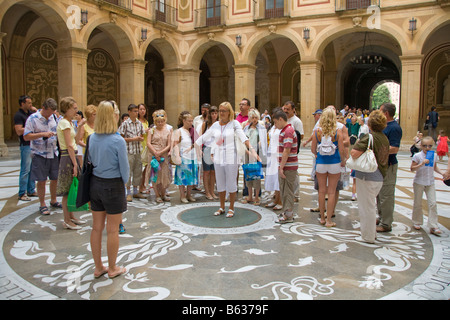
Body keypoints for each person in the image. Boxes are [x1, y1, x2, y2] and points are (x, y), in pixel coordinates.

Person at [195, 101, 258, 218]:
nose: (221, 113)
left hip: (231, 157)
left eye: (224, 111)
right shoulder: (215, 125)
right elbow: (205, 136)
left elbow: (243, 137)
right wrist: (195, 145)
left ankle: (232, 207)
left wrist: (252, 150)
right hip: (218, 158)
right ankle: (222, 206)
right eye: (220, 111)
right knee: (220, 182)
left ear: (229, 112)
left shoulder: (234, 124)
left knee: (231, 182)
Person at [88, 100, 129, 279]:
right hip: (113, 185)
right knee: (112, 229)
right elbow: (124, 169)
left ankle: (99, 267)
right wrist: (125, 185)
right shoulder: (117, 140)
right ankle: (112, 268)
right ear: (113, 116)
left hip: (95, 184)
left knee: (96, 228)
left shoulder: (92, 138)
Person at [350, 110, 390, 243]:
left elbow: (354, 153)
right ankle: (371, 233)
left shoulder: (369, 137)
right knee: (371, 206)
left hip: (367, 176)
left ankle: (368, 236)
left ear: (370, 124)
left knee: (366, 207)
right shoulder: (384, 138)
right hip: (379, 176)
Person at [23, 98, 60, 215]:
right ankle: (42, 203)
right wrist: (42, 134)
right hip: (39, 154)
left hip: (53, 152)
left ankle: (53, 200)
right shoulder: (33, 119)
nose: (50, 115)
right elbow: (26, 136)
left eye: (52, 112)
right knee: (41, 180)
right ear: (43, 108)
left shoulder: (54, 117)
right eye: (49, 112)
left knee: (55, 178)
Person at [311, 107, 346, 228]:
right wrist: (343, 161)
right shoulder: (338, 132)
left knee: (321, 191)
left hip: (320, 163)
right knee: (331, 192)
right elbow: (341, 149)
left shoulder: (317, 132)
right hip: (334, 163)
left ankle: (321, 217)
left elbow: (312, 149)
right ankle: (329, 220)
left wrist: (316, 155)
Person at [56, 97, 85, 230]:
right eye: (73, 108)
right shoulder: (64, 123)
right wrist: (74, 164)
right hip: (68, 157)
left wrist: (79, 127)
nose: (76, 110)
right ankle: (67, 220)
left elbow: (77, 140)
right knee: (67, 190)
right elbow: (68, 145)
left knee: (71, 187)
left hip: (71, 155)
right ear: (66, 109)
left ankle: (71, 216)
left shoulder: (70, 123)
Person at [410, 136, 445, 236]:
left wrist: (443, 173)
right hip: (419, 182)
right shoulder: (417, 156)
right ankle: (417, 221)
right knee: (417, 202)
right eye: (425, 146)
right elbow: (412, 168)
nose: (427, 148)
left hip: (430, 182)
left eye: (430, 146)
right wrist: (421, 164)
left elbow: (435, 167)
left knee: (433, 203)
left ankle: (433, 225)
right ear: (421, 146)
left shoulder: (433, 155)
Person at [377, 102, 402, 233]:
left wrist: (377, 150)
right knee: (379, 194)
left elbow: (395, 148)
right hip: (380, 165)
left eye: (380, 111)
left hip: (389, 165)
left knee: (386, 194)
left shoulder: (394, 128)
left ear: (386, 113)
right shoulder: (383, 126)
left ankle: (386, 223)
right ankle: (381, 216)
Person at [273, 110, 299, 224]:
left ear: (280, 119)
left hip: (288, 166)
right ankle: (286, 211)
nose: (275, 125)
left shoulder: (288, 131)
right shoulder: (285, 130)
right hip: (286, 166)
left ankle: (288, 214)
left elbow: (286, 150)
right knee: (284, 189)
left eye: (275, 122)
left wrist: (282, 167)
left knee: (287, 190)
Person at [118, 104, 145, 202]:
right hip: (129, 151)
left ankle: (135, 191)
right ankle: (128, 192)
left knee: (138, 171)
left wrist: (140, 138)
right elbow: (120, 138)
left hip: (138, 150)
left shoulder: (139, 123)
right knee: (128, 171)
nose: (136, 113)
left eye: (137, 111)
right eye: (134, 111)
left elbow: (142, 134)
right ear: (129, 112)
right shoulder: (125, 124)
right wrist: (134, 139)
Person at [242, 108, 267, 206]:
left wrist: (254, 150)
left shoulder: (261, 128)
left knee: (256, 175)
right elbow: (243, 140)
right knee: (248, 174)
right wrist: (248, 151)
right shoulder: (246, 128)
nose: (254, 119)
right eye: (252, 117)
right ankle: (250, 196)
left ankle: (257, 196)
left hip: (257, 153)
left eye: (256, 117)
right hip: (247, 154)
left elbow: (263, 141)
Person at [14, 95, 37, 201]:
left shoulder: (31, 114)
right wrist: (29, 128)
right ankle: (22, 192)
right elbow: (18, 130)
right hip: (25, 145)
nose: (30, 104)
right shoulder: (18, 115)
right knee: (25, 169)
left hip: (33, 144)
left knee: (32, 169)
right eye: (28, 103)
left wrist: (35, 110)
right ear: (22, 103)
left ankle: (31, 190)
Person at [173, 112, 199, 203]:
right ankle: (182, 195)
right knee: (182, 177)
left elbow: (197, 142)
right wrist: (177, 156)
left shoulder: (192, 130)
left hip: (193, 156)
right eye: (189, 121)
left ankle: (189, 194)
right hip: (184, 156)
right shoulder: (179, 131)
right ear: (184, 121)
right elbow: (175, 144)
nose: (191, 123)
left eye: (192, 121)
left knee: (191, 177)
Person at [146, 109, 172, 203]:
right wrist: (155, 152)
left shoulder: (167, 131)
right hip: (153, 154)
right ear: (155, 122)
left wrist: (161, 153)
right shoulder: (151, 131)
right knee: (155, 174)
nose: (160, 123)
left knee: (164, 174)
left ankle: (163, 193)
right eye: (158, 122)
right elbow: (148, 143)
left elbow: (169, 144)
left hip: (163, 155)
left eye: (162, 121)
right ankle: (157, 195)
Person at [282, 101, 303, 202]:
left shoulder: (296, 121)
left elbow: (300, 135)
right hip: (284, 149)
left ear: (293, 109)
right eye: (284, 109)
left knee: (294, 173)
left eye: (288, 109)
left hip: (292, 150)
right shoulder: (284, 119)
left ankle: (295, 194)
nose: (285, 111)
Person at [265, 107, 282, 210]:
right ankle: (275, 199)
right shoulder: (273, 127)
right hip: (271, 154)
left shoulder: (282, 128)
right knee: (273, 178)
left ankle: (280, 201)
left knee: (278, 179)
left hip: (278, 155)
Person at [200, 105, 218, 200]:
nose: (214, 115)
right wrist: (199, 149)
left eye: (216, 113)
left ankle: (212, 191)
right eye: (212, 113)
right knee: (206, 172)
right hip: (207, 148)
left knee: (213, 172)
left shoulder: (220, 124)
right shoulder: (206, 124)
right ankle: (207, 192)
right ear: (210, 114)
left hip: (216, 150)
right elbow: (201, 137)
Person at [137, 103, 151, 194]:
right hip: (139, 145)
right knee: (140, 168)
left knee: (146, 168)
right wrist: (145, 131)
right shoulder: (137, 122)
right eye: (141, 109)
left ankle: (143, 185)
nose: (142, 111)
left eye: (144, 109)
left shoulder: (146, 121)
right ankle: (139, 187)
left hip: (146, 145)